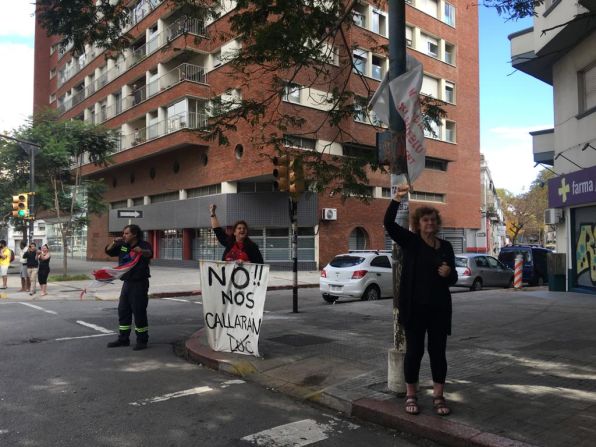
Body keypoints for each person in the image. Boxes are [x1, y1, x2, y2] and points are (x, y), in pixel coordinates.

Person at [384, 184, 458, 416]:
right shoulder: (411, 242)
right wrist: (396, 198)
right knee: (415, 352)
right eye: (425, 220)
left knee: (438, 353)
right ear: (418, 223)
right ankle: (411, 395)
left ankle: (438, 395)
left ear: (437, 224)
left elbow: (453, 277)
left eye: (432, 220)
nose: (429, 224)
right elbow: (388, 224)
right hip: (414, 309)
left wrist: (449, 274)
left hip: (439, 309)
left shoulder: (445, 247)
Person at [105, 224, 153, 351]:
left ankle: (142, 340)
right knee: (123, 310)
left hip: (139, 283)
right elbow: (109, 251)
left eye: (126, 233)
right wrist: (114, 242)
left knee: (139, 311)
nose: (124, 235)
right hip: (127, 283)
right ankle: (123, 339)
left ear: (134, 234)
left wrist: (140, 251)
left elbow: (149, 254)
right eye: (123, 233)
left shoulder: (144, 245)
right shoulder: (123, 246)